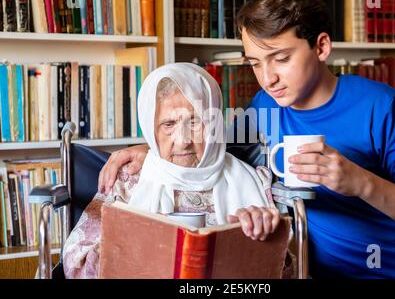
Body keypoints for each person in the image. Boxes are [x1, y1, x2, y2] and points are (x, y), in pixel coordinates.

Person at [98, 0, 395, 278]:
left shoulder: (379, 105)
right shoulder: (264, 108)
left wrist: (360, 182)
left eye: (281, 58)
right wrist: (153, 151)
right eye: (255, 63)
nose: (268, 78)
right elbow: (212, 154)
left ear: (322, 47)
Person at [63, 63, 281, 279]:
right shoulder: (127, 180)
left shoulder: (254, 180)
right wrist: (130, 244)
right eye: (168, 125)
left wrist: (262, 241)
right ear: (151, 130)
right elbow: (76, 265)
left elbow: (288, 270)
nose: (183, 141)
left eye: (195, 122)